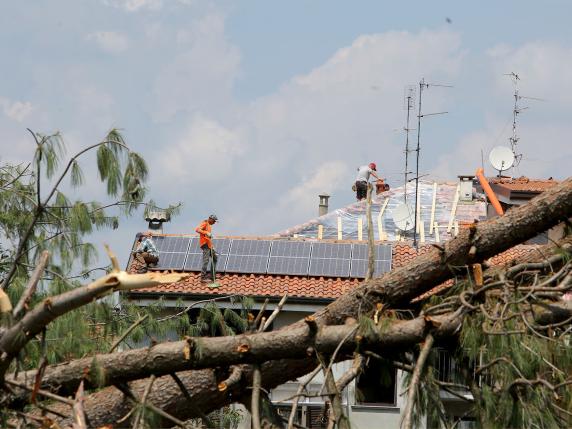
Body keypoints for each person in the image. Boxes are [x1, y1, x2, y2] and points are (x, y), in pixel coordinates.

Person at [196, 214, 218, 282]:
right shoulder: (205, 223)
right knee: (206, 260)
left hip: (208, 245)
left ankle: (212, 276)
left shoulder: (209, 226)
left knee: (215, 258)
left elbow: (207, 238)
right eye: (214, 221)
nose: (214, 223)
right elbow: (197, 229)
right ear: (210, 219)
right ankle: (203, 277)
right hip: (204, 244)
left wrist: (212, 246)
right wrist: (206, 232)